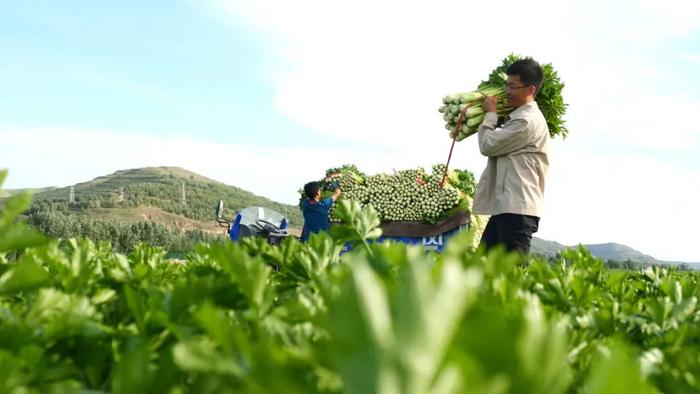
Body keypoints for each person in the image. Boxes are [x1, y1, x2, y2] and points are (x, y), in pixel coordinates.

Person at [473, 57, 549, 254]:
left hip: (518, 209)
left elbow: (487, 145)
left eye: (513, 87)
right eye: (506, 85)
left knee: (512, 276)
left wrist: (490, 115)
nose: (508, 92)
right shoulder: (516, 118)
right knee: (482, 268)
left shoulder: (525, 121)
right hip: (506, 207)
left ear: (531, 90)